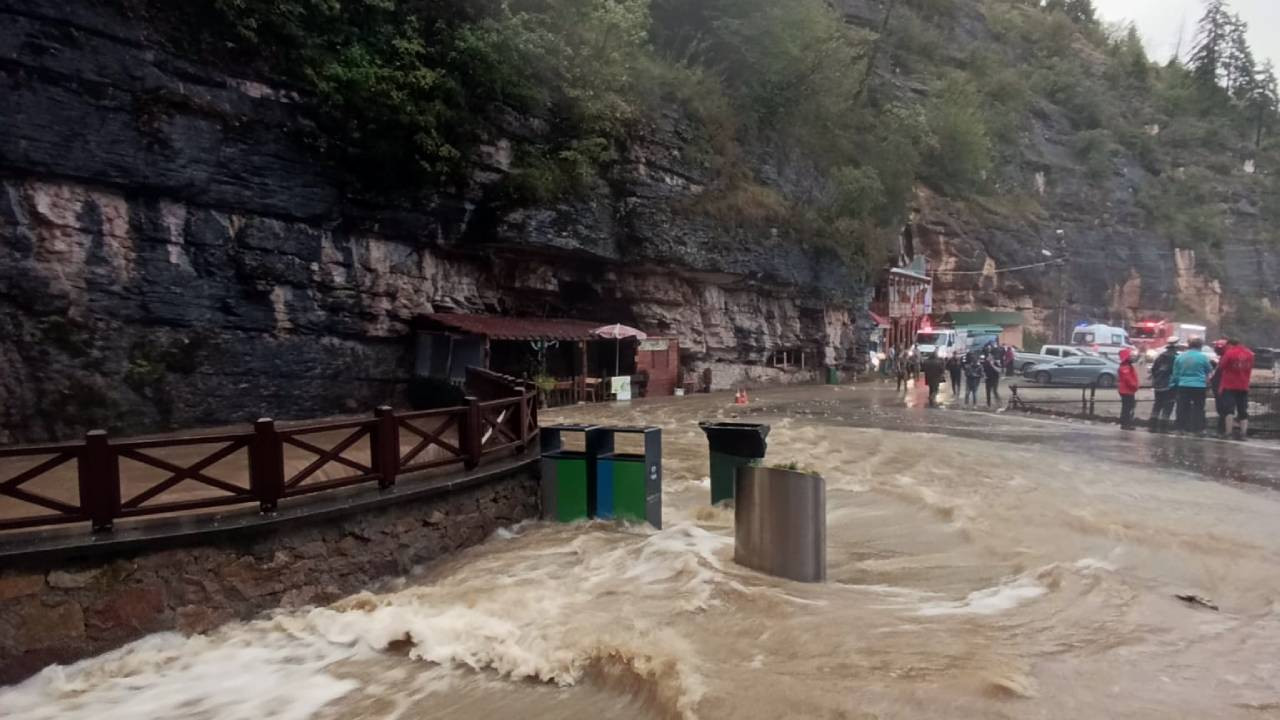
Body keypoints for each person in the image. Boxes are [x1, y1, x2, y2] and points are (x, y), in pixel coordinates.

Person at [1172, 337, 1213, 434]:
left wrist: (1178, 382)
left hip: (1183, 385)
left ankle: (1181, 428)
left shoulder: (1180, 357)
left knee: (1182, 407)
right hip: (1199, 386)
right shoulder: (1203, 357)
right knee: (1199, 407)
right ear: (1200, 346)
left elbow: (1175, 373)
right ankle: (1198, 429)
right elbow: (1209, 370)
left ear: (1188, 346)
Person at [1218, 338, 1255, 440]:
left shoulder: (1229, 353)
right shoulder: (1250, 354)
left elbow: (1222, 366)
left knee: (1229, 410)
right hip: (1243, 385)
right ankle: (1243, 434)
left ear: (1230, 344)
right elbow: (1250, 367)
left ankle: (1228, 433)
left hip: (1229, 385)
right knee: (1242, 410)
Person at [1148, 341, 1178, 433]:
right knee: (1168, 406)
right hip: (1169, 385)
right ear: (1175, 348)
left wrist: (1156, 379)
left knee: (1157, 405)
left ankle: (1152, 426)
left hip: (1158, 385)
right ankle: (1163, 427)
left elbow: (1153, 369)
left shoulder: (1160, 357)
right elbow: (1176, 372)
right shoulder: (1176, 358)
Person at [1209, 340, 1229, 436]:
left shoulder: (1225, 358)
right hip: (1219, 386)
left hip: (1222, 387)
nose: (1216, 350)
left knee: (1223, 409)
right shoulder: (1222, 358)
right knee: (1222, 408)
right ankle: (1221, 429)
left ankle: (1222, 430)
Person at [1117, 348, 1140, 430]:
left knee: (1127, 407)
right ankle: (1126, 423)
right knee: (1128, 407)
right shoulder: (1125, 367)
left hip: (1127, 390)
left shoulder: (1126, 366)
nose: (1132, 357)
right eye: (1130, 356)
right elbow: (1128, 379)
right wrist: (1135, 386)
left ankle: (1125, 423)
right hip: (1127, 390)